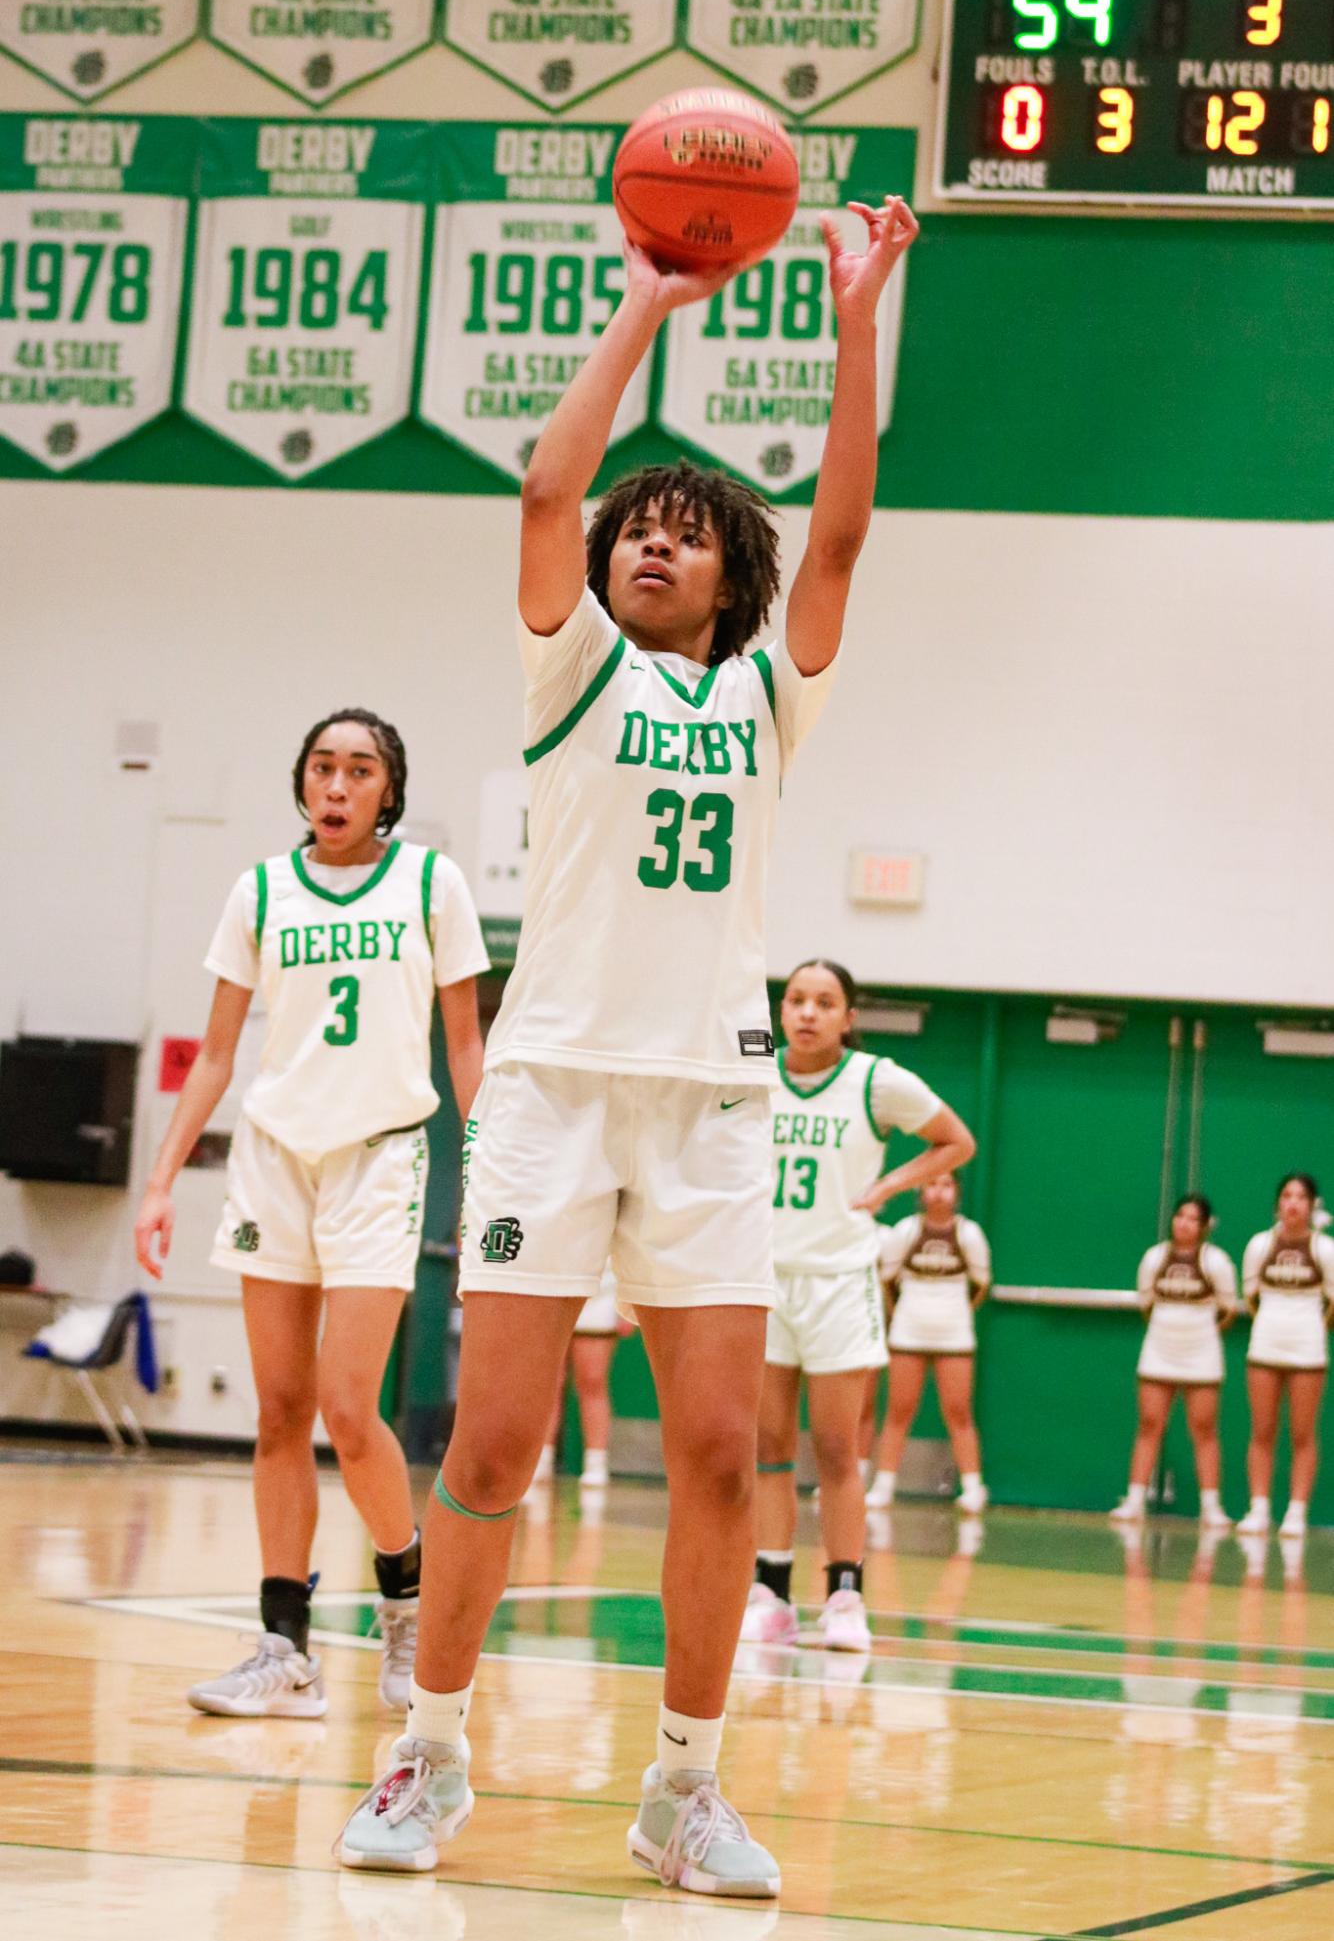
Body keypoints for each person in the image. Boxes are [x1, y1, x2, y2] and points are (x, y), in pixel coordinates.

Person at [337, 193, 920, 1896]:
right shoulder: (571, 672)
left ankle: (681, 1787)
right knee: (497, 1448)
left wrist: (850, 317)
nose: (647, 542)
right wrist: (647, 304)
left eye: (684, 531)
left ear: (727, 579)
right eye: (633, 527)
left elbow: (839, 538)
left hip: (711, 1107)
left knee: (721, 1454)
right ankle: (424, 1756)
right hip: (552, 1096)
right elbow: (538, 488)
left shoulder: (762, 693)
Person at [133, 708, 487, 1716]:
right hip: (273, 1158)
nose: (337, 786)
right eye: (322, 769)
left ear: (390, 790)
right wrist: (160, 1181)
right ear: (302, 785)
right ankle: (282, 1647)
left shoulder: (432, 885)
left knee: (346, 1405)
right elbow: (214, 1054)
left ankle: (403, 1595)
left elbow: (464, 1050)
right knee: (279, 1411)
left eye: (359, 770)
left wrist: (488, 1166)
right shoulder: (259, 890)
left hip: (377, 1157)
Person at [740, 960, 974, 1654]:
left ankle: (844, 1594)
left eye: (826, 1001)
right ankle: (771, 1592)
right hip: (766, 1277)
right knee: (769, 1447)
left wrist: (890, 1185)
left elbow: (957, 1140)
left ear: (849, 1017)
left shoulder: (876, 1080)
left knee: (840, 1447)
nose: (808, 1012)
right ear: (782, 1012)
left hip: (840, 1281)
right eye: (797, 1000)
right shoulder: (752, 1074)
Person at [1109, 1194, 1238, 1530]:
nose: (1184, 1223)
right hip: (1159, 1349)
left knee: (1204, 1430)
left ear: (1205, 1226)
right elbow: (1146, 1301)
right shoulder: (1153, 1258)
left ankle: (1212, 1508)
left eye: (1193, 1218)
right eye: (1180, 1215)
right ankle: (1134, 1500)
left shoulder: (1218, 1262)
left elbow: (1227, 1309)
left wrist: (1199, 1330)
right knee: (1149, 1424)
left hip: (1202, 1353)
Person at [867, 1173, 992, 1513]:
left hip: (954, 1333)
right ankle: (883, 1486)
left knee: (959, 1411)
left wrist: (955, 1314)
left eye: (947, 1185)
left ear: (957, 1193)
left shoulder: (970, 1234)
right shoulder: (904, 1232)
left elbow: (980, 1285)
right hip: (908, 1331)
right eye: (932, 1184)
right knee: (898, 1411)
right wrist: (905, 1315)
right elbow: (887, 1282)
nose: (939, 1192)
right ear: (921, 1191)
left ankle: (973, 1488)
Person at [1237, 1173, 1334, 1540]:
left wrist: (1308, 1327)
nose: (1293, 1203)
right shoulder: (1259, 1245)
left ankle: (1296, 1512)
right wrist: (1276, 1322)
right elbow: (1252, 1297)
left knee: (1303, 1433)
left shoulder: (1326, 1249)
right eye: (1287, 1196)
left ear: (1312, 1206)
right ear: (1278, 1204)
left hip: (1308, 1347)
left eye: (1301, 1197)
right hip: (1264, 1344)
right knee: (1262, 1431)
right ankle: (1259, 1509)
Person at [533, 1266, 634, 1491]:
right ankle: (540, 1459)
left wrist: (625, 1306)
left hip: (602, 1293)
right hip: (553, 1290)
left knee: (592, 1382)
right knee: (549, 1383)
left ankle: (596, 1462)